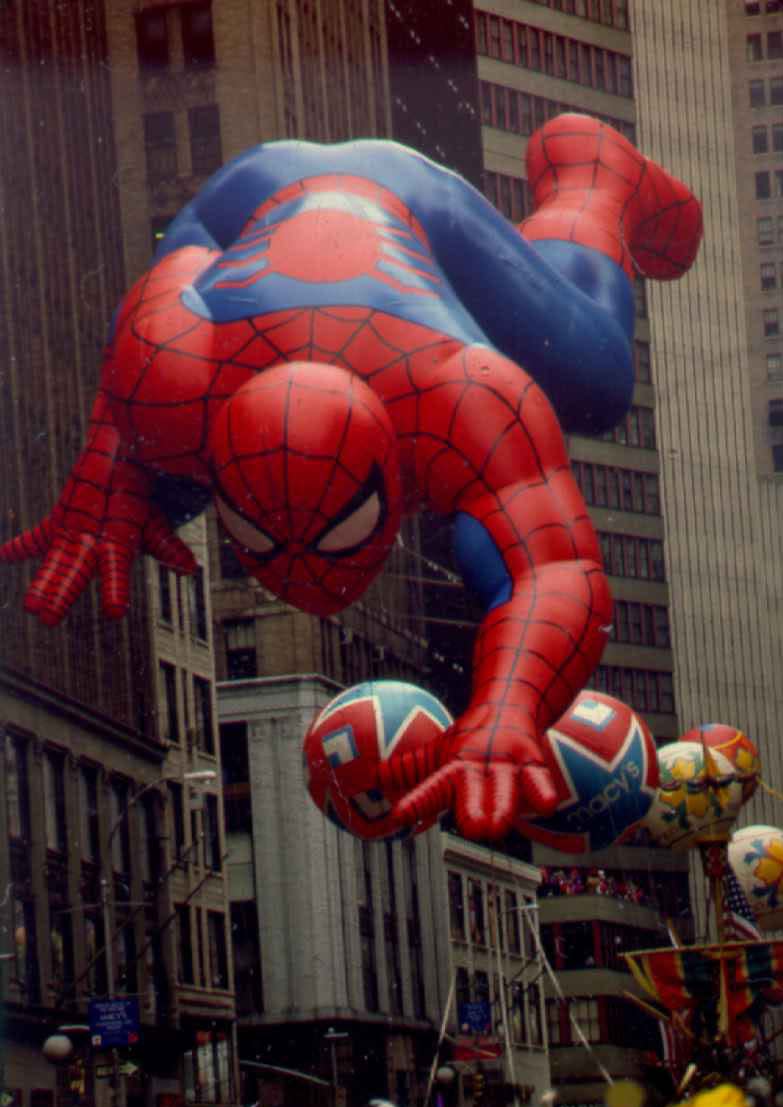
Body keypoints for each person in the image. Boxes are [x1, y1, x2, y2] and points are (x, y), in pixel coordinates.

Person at [1, 115, 702, 841]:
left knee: (592, 375)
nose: (298, 581)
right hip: (242, 201)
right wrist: (104, 480)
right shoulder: (173, 381)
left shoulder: (461, 393)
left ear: (393, 470)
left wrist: (509, 704)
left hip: (415, 201)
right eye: (257, 537)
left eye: (337, 534)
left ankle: (587, 172)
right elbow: (160, 295)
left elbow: (556, 569)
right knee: (152, 487)